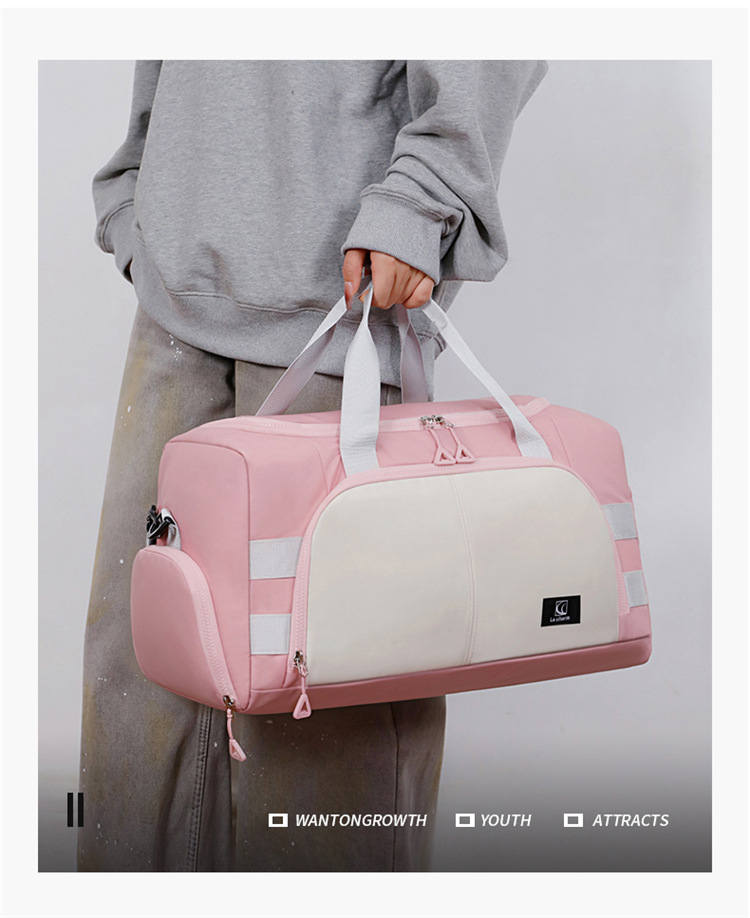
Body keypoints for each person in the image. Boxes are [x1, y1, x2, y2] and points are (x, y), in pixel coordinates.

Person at [78, 59, 548, 872]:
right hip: (174, 298)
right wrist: (137, 198)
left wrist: (424, 195)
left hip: (343, 303)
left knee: (324, 720)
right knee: (140, 691)